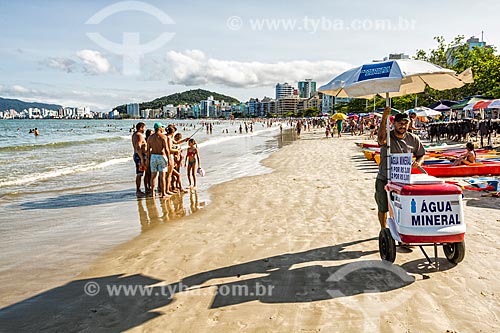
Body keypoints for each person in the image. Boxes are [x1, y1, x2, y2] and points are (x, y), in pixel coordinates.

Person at [375, 108, 425, 230]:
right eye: (400, 123)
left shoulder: (413, 139)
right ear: (394, 124)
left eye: (405, 123)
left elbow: (421, 154)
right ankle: (384, 230)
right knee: (383, 207)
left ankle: (402, 229)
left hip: (402, 180)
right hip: (384, 177)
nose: (403, 126)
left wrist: (418, 162)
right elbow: (381, 140)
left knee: (403, 207)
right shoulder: (388, 136)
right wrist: (384, 118)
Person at [147, 122, 169, 198]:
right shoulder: (163, 137)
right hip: (161, 156)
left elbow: (148, 150)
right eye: (162, 127)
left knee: (153, 176)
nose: (163, 129)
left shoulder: (150, 137)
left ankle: (152, 193)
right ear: (159, 128)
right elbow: (166, 149)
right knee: (162, 176)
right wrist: (169, 159)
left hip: (153, 156)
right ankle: (163, 194)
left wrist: (148, 159)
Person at [131, 122, 147, 196]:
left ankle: (139, 189)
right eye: (144, 128)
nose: (144, 129)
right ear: (141, 128)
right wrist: (142, 159)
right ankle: (138, 190)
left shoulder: (134, 134)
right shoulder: (139, 135)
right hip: (139, 156)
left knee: (139, 173)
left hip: (137, 155)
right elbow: (138, 147)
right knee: (139, 174)